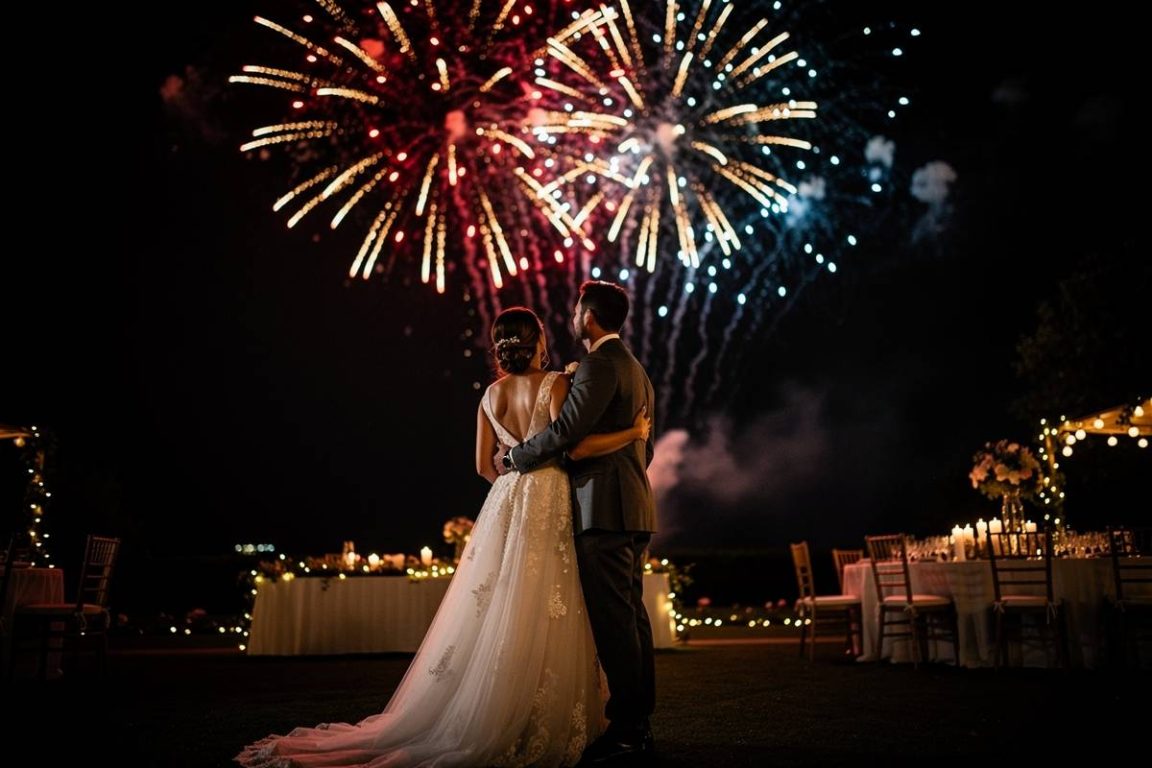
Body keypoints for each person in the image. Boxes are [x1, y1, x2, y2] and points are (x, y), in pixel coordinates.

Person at [234, 306, 650, 768]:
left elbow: (480, 464)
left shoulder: (490, 396)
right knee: (547, 602)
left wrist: (512, 492)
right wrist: (618, 441)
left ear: (500, 348)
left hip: (506, 500)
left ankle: (494, 707)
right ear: (538, 343)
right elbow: (566, 447)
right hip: (549, 495)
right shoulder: (556, 385)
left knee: (501, 603)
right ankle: (537, 713)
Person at [499, 280, 658, 765]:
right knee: (632, 618)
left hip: (602, 510)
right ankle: (639, 722)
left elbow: (567, 433)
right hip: (633, 506)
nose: (571, 317)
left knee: (615, 623)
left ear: (588, 317)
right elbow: (644, 447)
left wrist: (517, 457)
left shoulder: (598, 365)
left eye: (575, 310)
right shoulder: (637, 371)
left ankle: (628, 728)